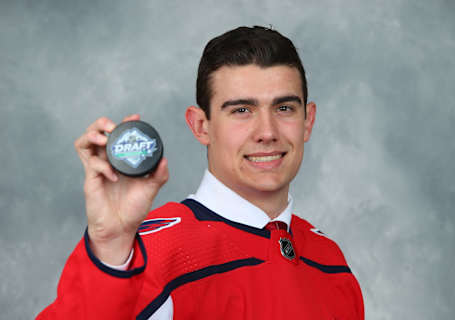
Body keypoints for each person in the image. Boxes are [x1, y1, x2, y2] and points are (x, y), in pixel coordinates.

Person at [37, 26, 364, 320]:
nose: (267, 132)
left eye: (284, 108)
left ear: (308, 121)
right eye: (241, 110)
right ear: (201, 126)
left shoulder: (330, 261)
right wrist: (110, 248)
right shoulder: (150, 254)